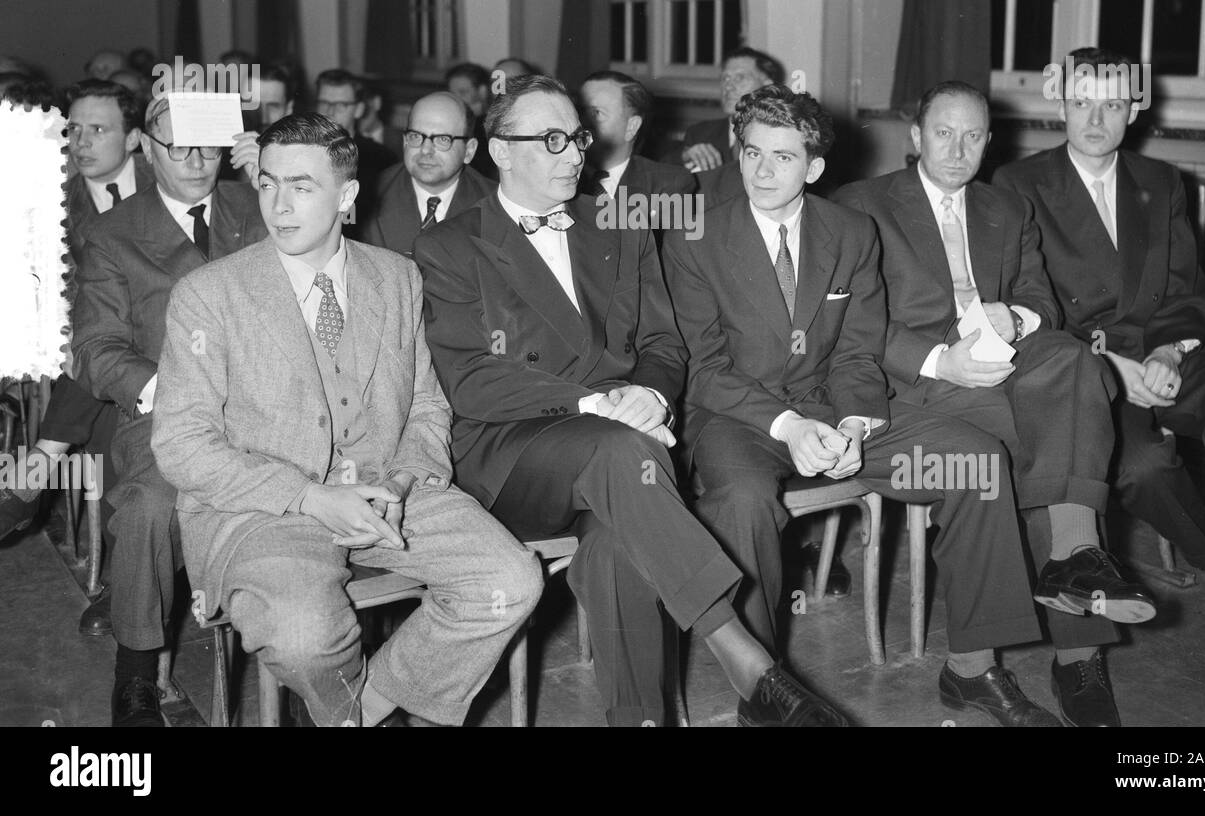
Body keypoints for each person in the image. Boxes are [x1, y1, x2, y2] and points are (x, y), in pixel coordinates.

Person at [417, 73, 847, 726]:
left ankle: (641, 718)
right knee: (623, 451)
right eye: (552, 139)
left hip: (623, 457)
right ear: (499, 150)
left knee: (619, 542)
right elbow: (474, 381)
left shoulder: (617, 226)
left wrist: (648, 390)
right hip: (510, 456)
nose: (574, 154)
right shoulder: (451, 245)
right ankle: (744, 654)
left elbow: (665, 342)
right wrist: (598, 404)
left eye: (579, 137)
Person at [662, 85, 1050, 716]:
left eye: (783, 158)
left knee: (976, 465)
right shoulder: (694, 237)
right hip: (741, 418)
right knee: (743, 500)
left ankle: (973, 669)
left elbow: (859, 350)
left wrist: (856, 423)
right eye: (752, 152)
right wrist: (788, 428)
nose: (762, 170)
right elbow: (703, 371)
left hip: (836, 416)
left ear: (814, 168)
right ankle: (765, 692)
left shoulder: (850, 231)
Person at [151, 115, 542, 726]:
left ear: (348, 197)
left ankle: (361, 711)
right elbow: (181, 444)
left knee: (511, 581)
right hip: (262, 508)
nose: (278, 205)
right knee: (307, 638)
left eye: (302, 187)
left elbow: (426, 407)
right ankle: (341, 711)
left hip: (387, 489)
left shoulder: (397, 277)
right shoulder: (210, 293)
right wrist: (309, 497)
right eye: (268, 183)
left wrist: (403, 484)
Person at [835, 80, 1158, 728]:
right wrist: (938, 358)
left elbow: (1044, 299)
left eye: (975, 135)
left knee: (1074, 361)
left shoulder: (1004, 209)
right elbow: (853, 325)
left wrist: (1018, 315)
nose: (959, 148)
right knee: (1032, 449)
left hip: (1003, 365)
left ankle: (1071, 560)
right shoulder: (862, 205)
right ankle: (1065, 657)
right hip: (917, 386)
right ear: (916, 136)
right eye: (945, 132)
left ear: (991, 141)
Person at [994, 48, 1205, 654]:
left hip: (1164, 352)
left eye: (1111, 103)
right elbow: (1023, 307)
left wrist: (1169, 352)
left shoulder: (1160, 183)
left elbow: (1187, 288)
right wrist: (1108, 365)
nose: (1095, 118)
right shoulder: (1019, 185)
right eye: (1081, 102)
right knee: (1141, 466)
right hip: (1084, 369)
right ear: (1061, 104)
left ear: (1135, 108)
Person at [72, 94, 267, 726]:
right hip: (167, 414)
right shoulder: (111, 234)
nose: (195, 161)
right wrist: (174, 392)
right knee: (151, 507)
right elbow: (97, 350)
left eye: (208, 147)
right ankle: (136, 673)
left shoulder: (262, 206)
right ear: (146, 149)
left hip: (269, 408)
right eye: (177, 146)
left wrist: (280, 173)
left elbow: (334, 264)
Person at [0, 82, 151, 568]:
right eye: (73, 129)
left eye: (97, 129)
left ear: (133, 139)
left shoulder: (169, 177)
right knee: (99, 365)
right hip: (84, 337)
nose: (79, 142)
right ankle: (126, 569)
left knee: (104, 366)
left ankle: (38, 468)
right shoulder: (48, 194)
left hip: (155, 334)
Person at [363, 91, 493, 258]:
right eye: (416, 136)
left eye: (443, 139)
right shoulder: (364, 198)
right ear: (404, 142)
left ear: (469, 150)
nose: (425, 150)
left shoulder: (496, 207)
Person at [578, 70, 695, 202]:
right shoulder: (557, 177)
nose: (581, 122)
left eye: (597, 113)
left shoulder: (667, 185)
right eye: (579, 111)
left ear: (631, 127)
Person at [313, 69, 398, 232]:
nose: (330, 112)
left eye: (341, 105)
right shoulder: (301, 153)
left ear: (359, 109)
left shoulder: (381, 159)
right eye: (324, 103)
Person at [681, 46, 785, 172]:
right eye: (725, 78)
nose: (728, 87)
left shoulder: (783, 136)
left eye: (739, 78)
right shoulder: (700, 134)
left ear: (767, 87)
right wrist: (684, 158)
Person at [444, 62, 496, 179]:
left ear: (482, 91)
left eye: (463, 92)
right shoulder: (451, 124)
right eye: (452, 93)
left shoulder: (491, 128)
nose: (455, 99)